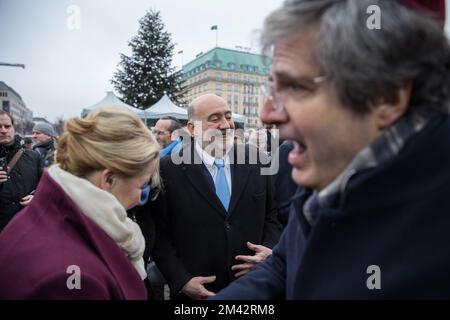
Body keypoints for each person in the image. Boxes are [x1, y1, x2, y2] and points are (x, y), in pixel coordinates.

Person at [212, 0, 450, 299]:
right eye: (271, 88)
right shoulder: (332, 167)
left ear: (387, 98)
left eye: (295, 87)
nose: (267, 114)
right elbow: (284, 266)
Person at [0, 107, 161, 299]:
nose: (139, 199)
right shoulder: (73, 280)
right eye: (141, 186)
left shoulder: (50, 215)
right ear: (109, 179)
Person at [143, 93, 281, 300]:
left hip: (255, 289)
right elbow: (160, 234)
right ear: (191, 128)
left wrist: (268, 253)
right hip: (196, 295)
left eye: (228, 117)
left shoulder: (259, 161)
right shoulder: (167, 170)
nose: (226, 125)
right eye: (214, 119)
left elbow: (273, 216)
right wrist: (181, 281)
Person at [0, 111, 42, 232]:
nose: (3, 130)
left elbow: (44, 187)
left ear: (13, 128)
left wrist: (36, 197)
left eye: (7, 126)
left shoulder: (33, 156)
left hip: (26, 228)